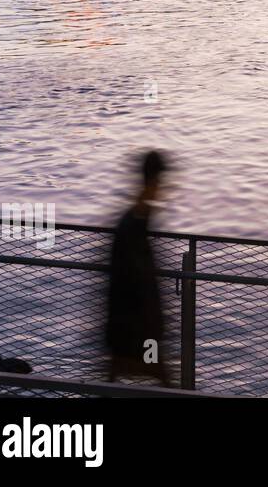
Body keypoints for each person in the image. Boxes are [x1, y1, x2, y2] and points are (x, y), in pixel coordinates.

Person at [106, 150, 172, 383]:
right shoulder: (133, 227)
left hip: (128, 335)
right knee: (163, 382)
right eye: (162, 182)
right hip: (138, 336)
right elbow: (136, 285)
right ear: (154, 181)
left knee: (115, 383)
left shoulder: (134, 222)